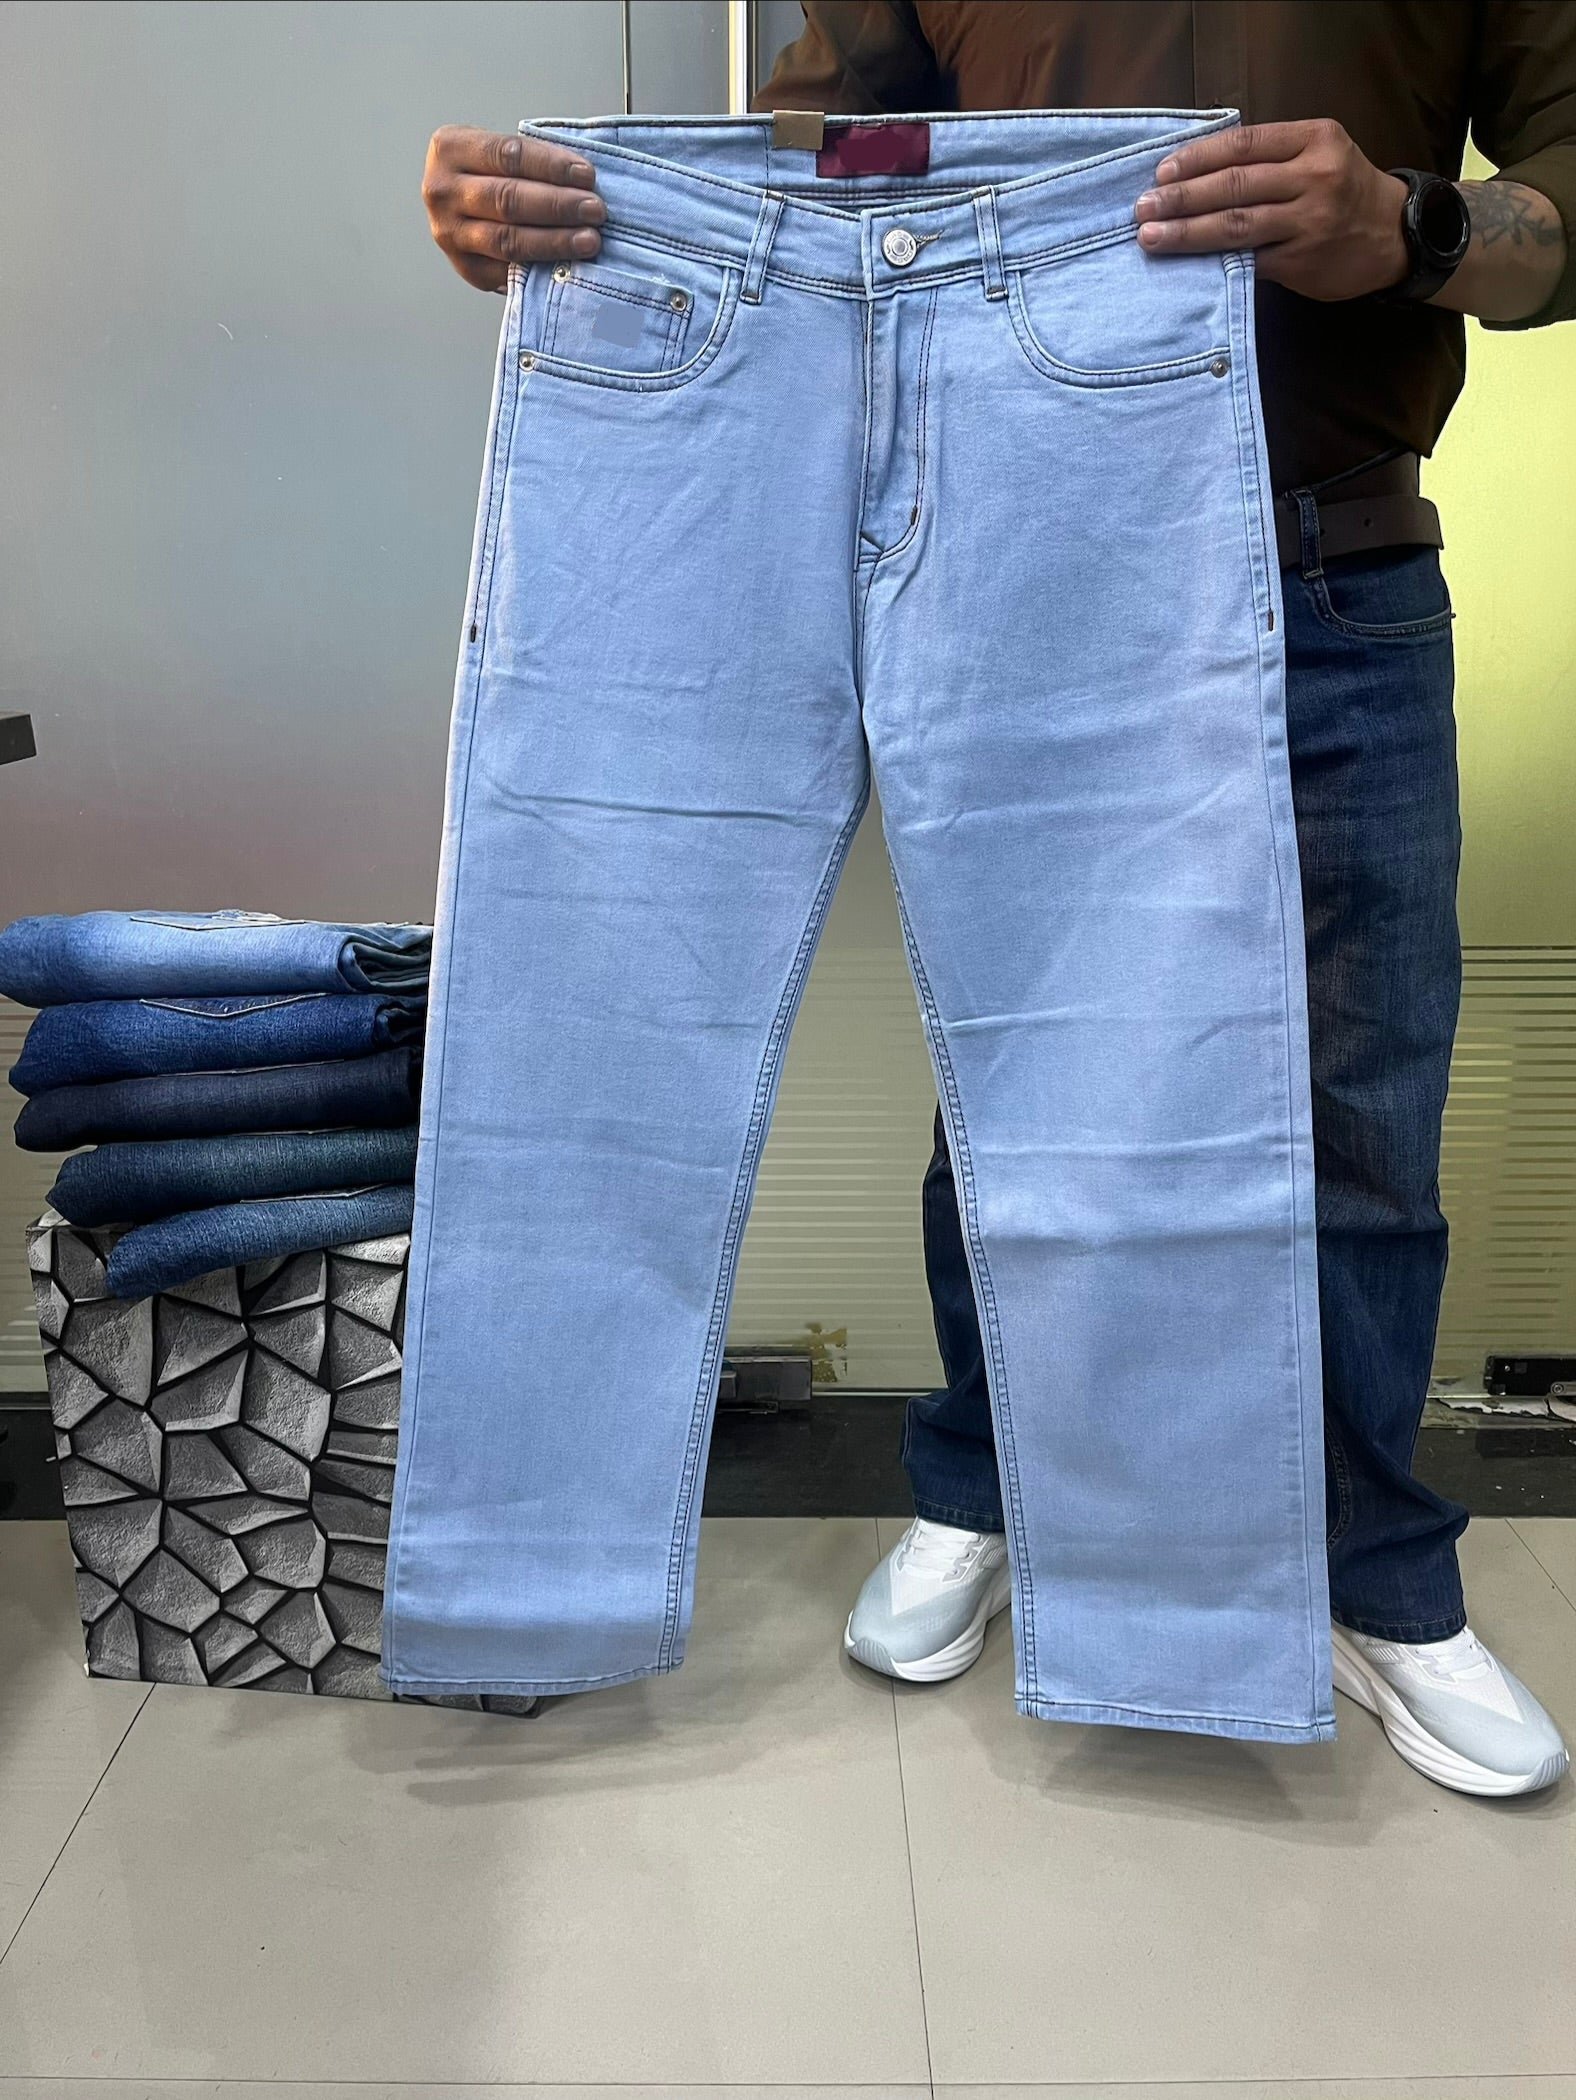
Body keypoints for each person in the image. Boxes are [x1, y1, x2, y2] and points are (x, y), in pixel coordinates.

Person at [418, 1, 1575, 1796]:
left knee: (1351, 1107)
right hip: (1019, 515)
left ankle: (1370, 1579)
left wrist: (1416, 226)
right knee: (1014, 1070)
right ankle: (985, 1487)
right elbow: (833, 153)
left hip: (1330, 551)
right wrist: (611, 214)